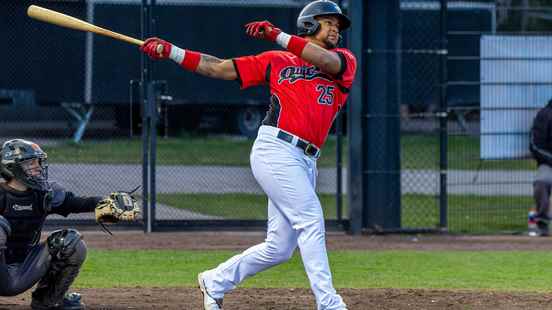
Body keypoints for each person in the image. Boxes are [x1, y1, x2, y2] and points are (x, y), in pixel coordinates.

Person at [141, 0, 356, 309]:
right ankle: (329, 303)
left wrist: (278, 34)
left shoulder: (343, 60)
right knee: (310, 219)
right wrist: (172, 52)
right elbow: (216, 66)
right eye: (328, 22)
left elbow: (326, 61)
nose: (336, 27)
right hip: (276, 149)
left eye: (338, 24)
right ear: (309, 24)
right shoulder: (276, 59)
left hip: (306, 159)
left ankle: (215, 281)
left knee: (279, 248)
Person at [0, 138, 139, 309]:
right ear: (11, 167)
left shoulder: (43, 194)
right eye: (30, 163)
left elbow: (76, 203)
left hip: (23, 267)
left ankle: (48, 300)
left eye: (38, 161)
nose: (37, 166)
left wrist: (106, 203)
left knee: (71, 242)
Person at [529, 99, 552, 237]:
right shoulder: (545, 114)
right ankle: (542, 221)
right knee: (541, 182)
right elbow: (535, 145)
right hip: (549, 163)